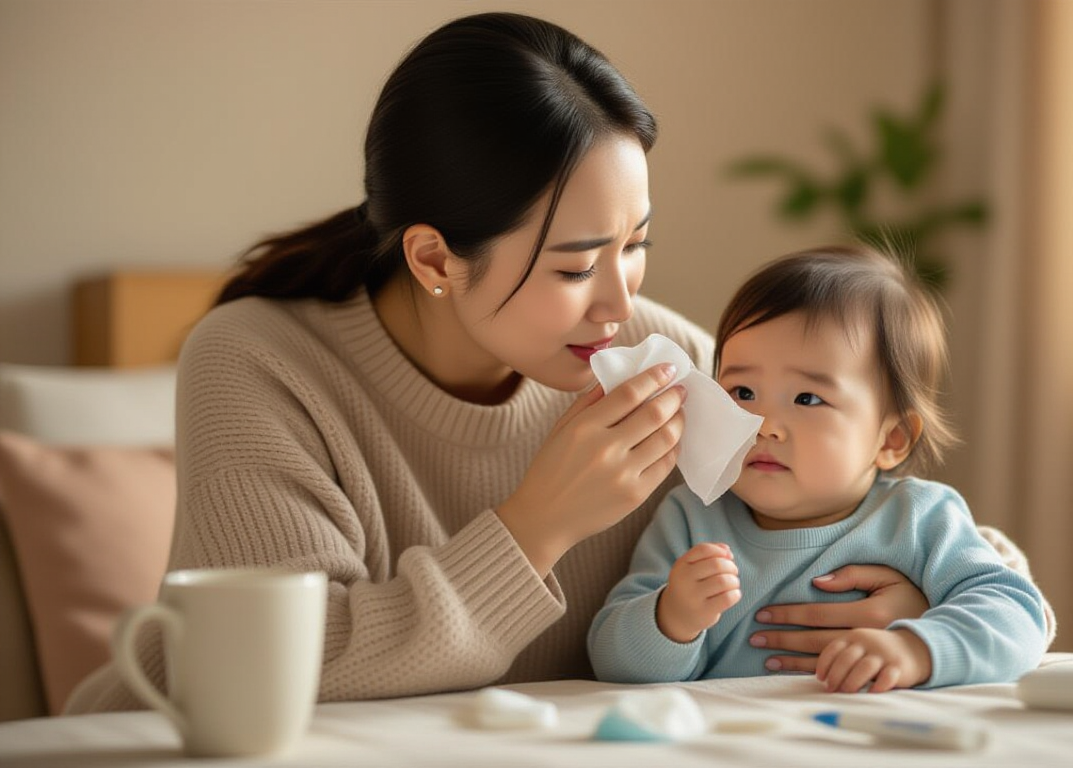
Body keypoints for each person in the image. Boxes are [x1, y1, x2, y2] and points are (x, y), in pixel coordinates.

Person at [63, 13, 1019, 713]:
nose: (620, 302)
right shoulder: (260, 365)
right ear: (435, 258)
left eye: (635, 244)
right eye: (573, 265)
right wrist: (535, 528)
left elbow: (940, 540)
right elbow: (281, 669)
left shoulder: (671, 365)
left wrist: (917, 609)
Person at [589, 245, 1052, 692]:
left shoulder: (919, 518)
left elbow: (1016, 614)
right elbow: (610, 659)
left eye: (808, 399)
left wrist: (917, 649)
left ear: (890, 440)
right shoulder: (693, 516)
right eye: (742, 393)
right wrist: (671, 618)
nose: (764, 426)